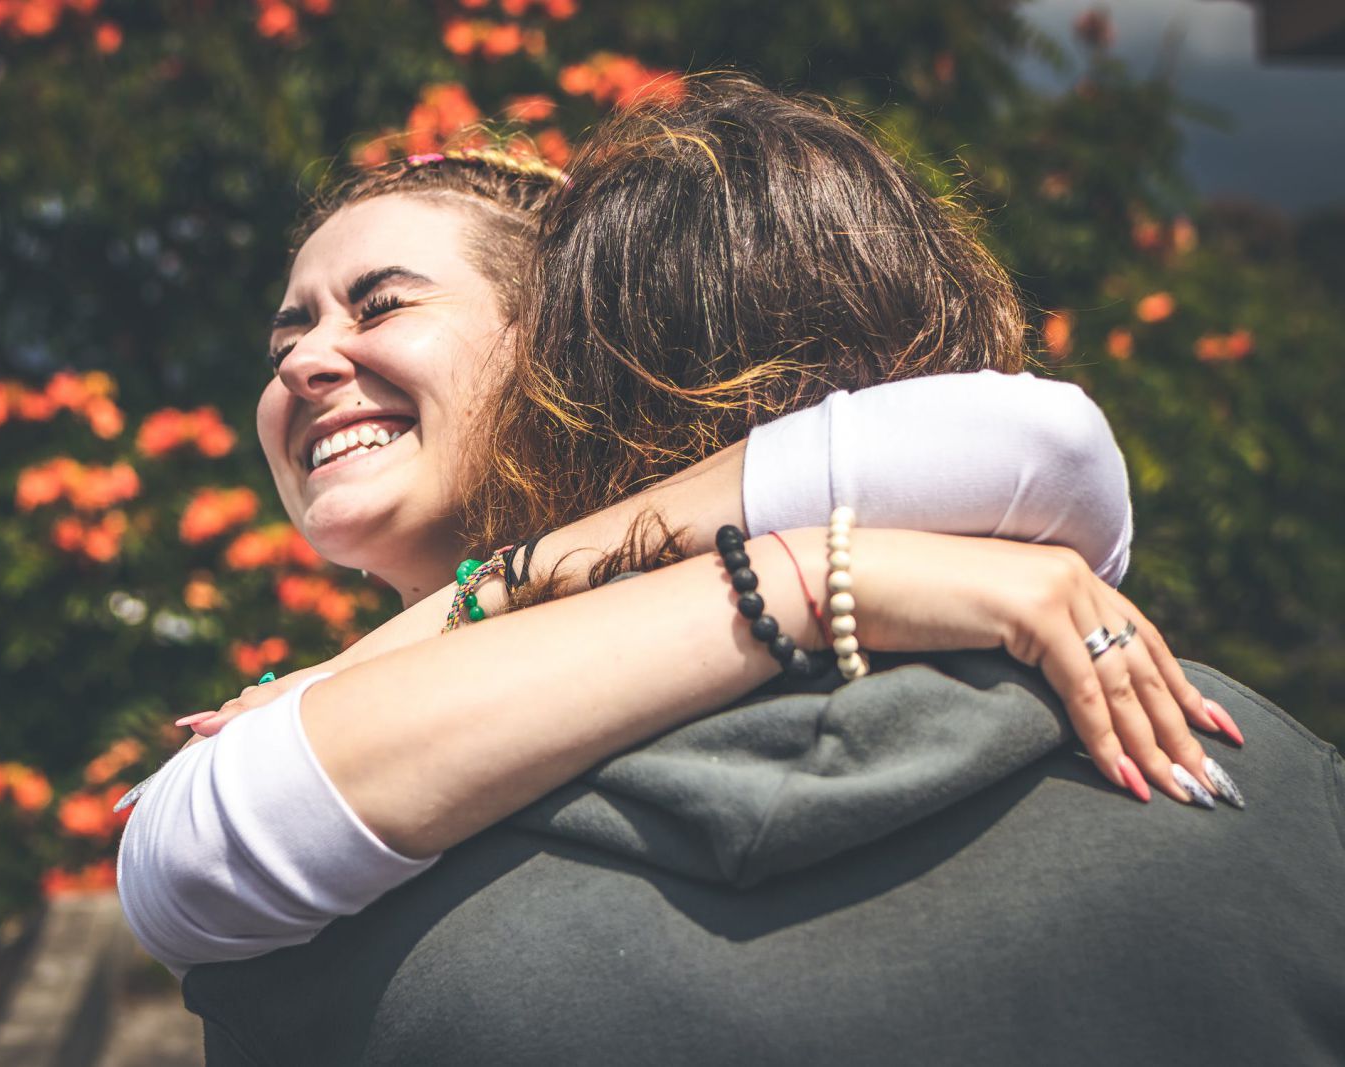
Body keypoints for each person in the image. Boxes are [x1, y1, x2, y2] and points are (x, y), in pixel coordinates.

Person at [116, 79, 1345, 1064]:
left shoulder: (347, 950)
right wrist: (819, 569)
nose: (306, 361)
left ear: (555, 368)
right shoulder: (1280, 796)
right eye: (286, 333)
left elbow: (1033, 444)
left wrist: (794, 572)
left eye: (381, 304)